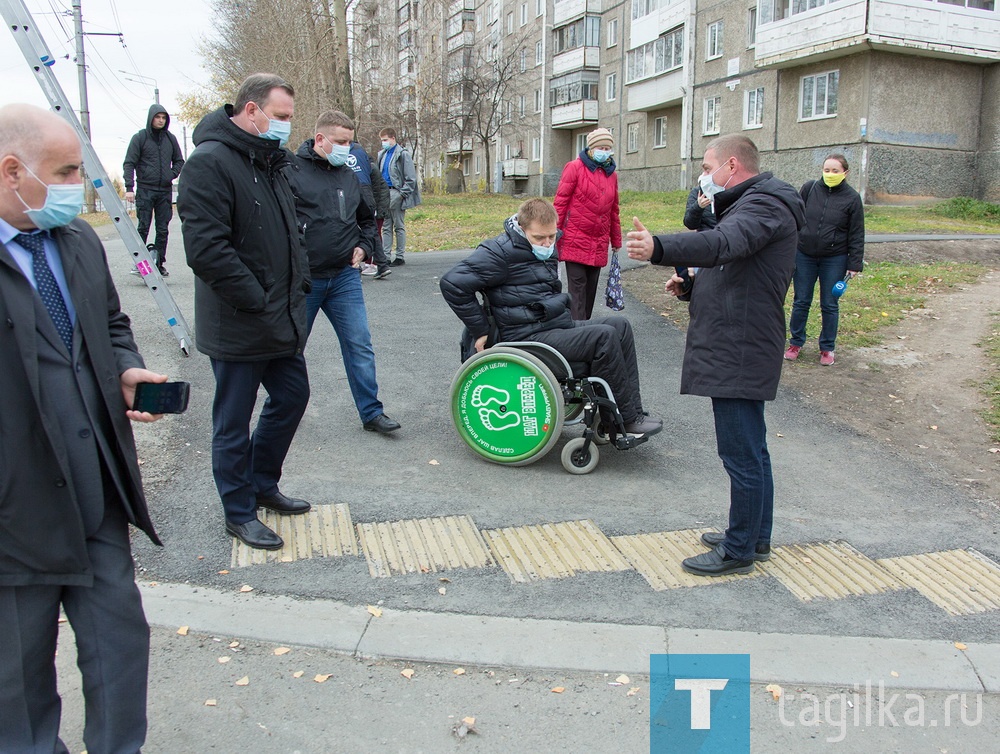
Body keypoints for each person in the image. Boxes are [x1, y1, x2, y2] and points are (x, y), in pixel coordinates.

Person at [0, 103, 167, 753]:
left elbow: (112, 325)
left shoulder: (77, 243)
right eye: (67, 172)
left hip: (98, 492)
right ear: (13, 171)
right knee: (18, 685)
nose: (82, 186)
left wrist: (124, 369)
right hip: (15, 516)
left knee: (121, 648)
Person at [626, 135, 804, 577]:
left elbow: (723, 244)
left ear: (730, 165)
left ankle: (739, 549)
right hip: (738, 339)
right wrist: (690, 286)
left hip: (740, 346)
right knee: (751, 449)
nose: (704, 177)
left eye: (707, 167)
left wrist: (659, 250)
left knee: (741, 453)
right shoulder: (753, 203)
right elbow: (736, 270)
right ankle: (754, 537)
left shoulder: (764, 206)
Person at [178, 73, 312, 551]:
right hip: (238, 321)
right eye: (280, 117)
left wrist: (299, 285)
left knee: (292, 397)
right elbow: (207, 250)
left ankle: (261, 483)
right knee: (232, 421)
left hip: (278, 317)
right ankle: (238, 511)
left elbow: (287, 235)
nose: (286, 127)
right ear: (251, 110)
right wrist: (257, 299)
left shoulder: (269, 160)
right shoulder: (209, 162)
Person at [440, 198, 662, 437]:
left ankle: (632, 413)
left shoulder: (545, 246)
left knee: (620, 325)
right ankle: (622, 422)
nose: (547, 243)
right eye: (539, 238)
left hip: (552, 325)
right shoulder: (499, 253)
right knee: (603, 336)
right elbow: (452, 284)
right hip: (526, 335)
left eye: (552, 236)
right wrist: (480, 329)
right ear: (522, 229)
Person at [287, 110, 401, 435]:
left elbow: (367, 219)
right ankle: (283, 414)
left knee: (359, 343)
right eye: (340, 142)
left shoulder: (348, 176)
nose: (346, 149)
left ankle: (372, 413)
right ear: (320, 139)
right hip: (305, 280)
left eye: (350, 143)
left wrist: (365, 247)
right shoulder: (292, 173)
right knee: (290, 350)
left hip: (344, 277)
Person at [785, 153, 865, 366]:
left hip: (835, 258)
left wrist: (854, 264)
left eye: (835, 171)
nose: (830, 174)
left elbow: (857, 233)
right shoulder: (809, 189)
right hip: (804, 255)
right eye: (827, 170)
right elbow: (794, 217)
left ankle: (827, 348)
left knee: (830, 304)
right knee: (801, 300)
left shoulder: (852, 198)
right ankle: (795, 342)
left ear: (845, 173)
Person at [553, 127, 622, 321]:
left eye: (608, 148)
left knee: (590, 292)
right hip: (575, 238)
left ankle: (584, 330)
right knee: (577, 291)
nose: (605, 151)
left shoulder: (612, 175)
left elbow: (614, 210)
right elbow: (560, 203)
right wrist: (552, 235)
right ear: (591, 148)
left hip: (598, 243)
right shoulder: (574, 168)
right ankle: (577, 335)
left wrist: (615, 240)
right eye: (601, 147)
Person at [123, 103, 184, 276]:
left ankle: (158, 264)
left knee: (163, 229)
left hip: (164, 191)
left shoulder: (170, 139)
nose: (161, 120)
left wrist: (170, 175)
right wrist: (129, 187)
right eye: (158, 117)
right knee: (143, 227)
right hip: (145, 189)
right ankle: (140, 264)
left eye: (164, 118)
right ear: (151, 118)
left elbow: (179, 160)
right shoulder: (140, 138)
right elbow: (129, 163)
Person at [348, 138, 392, 279]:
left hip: (352, 190)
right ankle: (382, 264)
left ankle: (355, 268)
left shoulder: (344, 151)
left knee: (350, 229)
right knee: (370, 229)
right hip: (367, 194)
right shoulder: (363, 154)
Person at [377, 127, 420, 265]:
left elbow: (411, 178)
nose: (383, 143)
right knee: (386, 226)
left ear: (393, 138)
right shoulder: (382, 154)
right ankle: (386, 256)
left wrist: (402, 194)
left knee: (399, 225)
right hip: (384, 193)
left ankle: (400, 256)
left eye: (385, 140)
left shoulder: (402, 154)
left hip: (397, 192)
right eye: (382, 140)